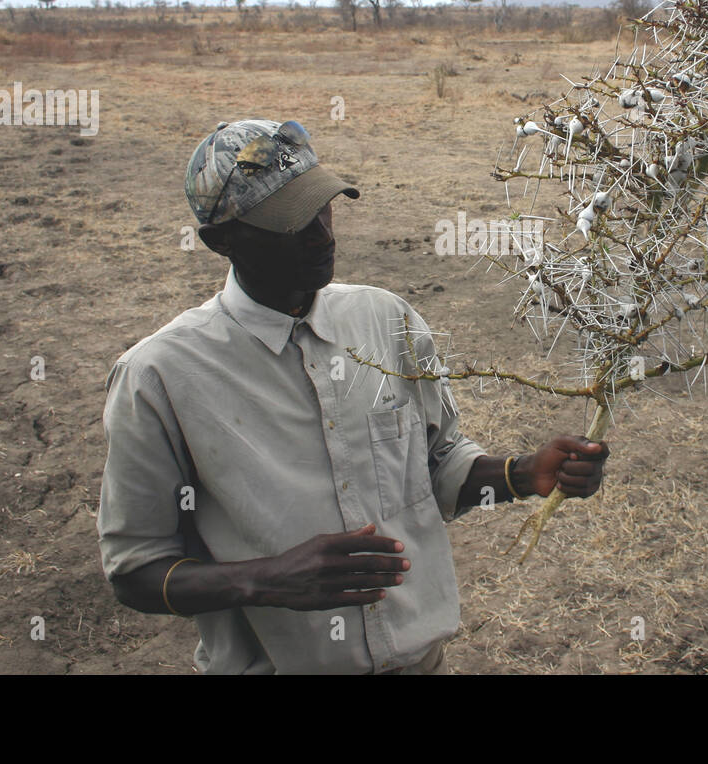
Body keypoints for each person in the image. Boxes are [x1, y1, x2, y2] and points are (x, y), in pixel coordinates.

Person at [97, 118, 608, 674]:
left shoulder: (385, 319)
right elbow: (136, 571)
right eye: (286, 224)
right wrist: (267, 579)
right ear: (220, 241)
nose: (321, 234)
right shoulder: (160, 376)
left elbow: (438, 464)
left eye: (322, 206)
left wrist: (521, 473)